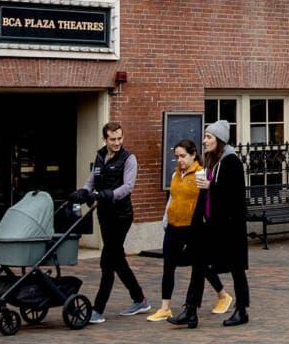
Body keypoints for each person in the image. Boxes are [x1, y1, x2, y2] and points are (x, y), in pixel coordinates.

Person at [71, 121, 150, 323]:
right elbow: (92, 180)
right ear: (105, 139)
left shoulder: (129, 158)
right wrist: (83, 191)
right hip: (104, 215)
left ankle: (98, 309)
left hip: (121, 215)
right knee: (117, 259)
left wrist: (109, 194)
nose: (117, 142)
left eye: (119, 138)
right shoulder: (100, 157)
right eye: (112, 139)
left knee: (107, 261)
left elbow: (128, 186)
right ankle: (139, 299)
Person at [172, 121, 249, 327]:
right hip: (210, 224)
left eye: (209, 137)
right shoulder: (210, 162)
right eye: (204, 137)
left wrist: (211, 185)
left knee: (236, 267)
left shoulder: (231, 161)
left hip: (229, 225)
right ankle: (190, 309)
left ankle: (241, 309)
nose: (204, 141)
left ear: (220, 140)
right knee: (198, 263)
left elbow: (234, 194)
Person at [146, 138, 222, 321]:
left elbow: (206, 201)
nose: (179, 160)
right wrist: (166, 220)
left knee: (199, 265)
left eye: (183, 156)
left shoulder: (200, 173)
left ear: (193, 155)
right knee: (168, 265)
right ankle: (165, 307)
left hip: (192, 227)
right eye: (177, 157)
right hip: (173, 225)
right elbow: (172, 199)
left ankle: (221, 294)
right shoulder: (175, 175)